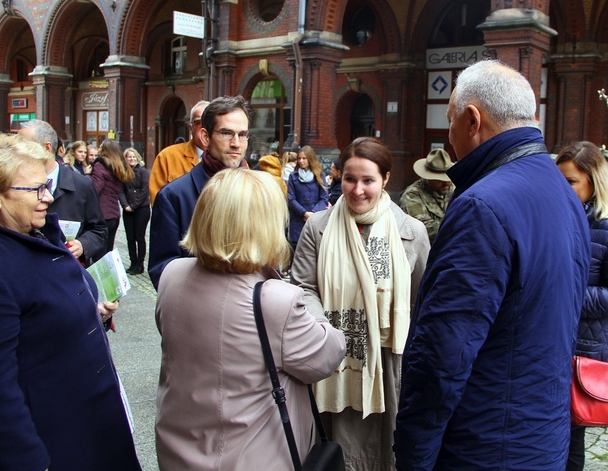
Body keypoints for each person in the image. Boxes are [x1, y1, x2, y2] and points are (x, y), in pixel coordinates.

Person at [394, 60, 590, 469]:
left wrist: (414, 453)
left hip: (485, 445)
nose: (449, 139)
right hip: (540, 435)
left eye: (449, 123)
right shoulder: (563, 191)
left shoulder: (482, 205)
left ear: (472, 120)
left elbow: (443, 350)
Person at [155, 168, 345, 469]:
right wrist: (312, 302)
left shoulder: (172, 276)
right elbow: (327, 354)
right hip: (254, 456)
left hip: (178, 449)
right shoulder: (274, 300)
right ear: (264, 226)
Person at [0, 135, 140, 470]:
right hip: (59, 439)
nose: (48, 197)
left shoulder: (39, 231)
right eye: (36, 189)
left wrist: (89, 311)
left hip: (95, 420)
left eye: (46, 185)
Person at [292, 137, 430, 470]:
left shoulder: (411, 232)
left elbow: (422, 301)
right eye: (349, 179)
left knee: (386, 454)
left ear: (385, 179)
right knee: (336, 452)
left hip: (389, 366)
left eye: (368, 180)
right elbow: (302, 286)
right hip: (335, 362)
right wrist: (327, 330)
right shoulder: (318, 227)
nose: (357, 190)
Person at [555, 141, 608, 470]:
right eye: (559, 180)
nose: (562, 189)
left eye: (571, 182)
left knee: (571, 435)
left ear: (594, 182)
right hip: (550, 340)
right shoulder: (557, 218)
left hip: (584, 346)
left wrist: (561, 295)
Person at [148, 95, 251, 289]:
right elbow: (162, 271)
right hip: (199, 311)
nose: (236, 143)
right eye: (227, 133)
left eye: (242, 134)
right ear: (205, 137)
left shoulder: (259, 192)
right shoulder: (174, 196)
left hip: (250, 312)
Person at [18, 120, 108, 266]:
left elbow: (99, 230)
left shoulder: (82, 185)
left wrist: (83, 244)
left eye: (24, 145)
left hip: (68, 271)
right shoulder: (14, 184)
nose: (17, 151)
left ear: (47, 147)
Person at [148, 100, 209, 203]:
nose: (204, 127)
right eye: (198, 122)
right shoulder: (167, 157)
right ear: (190, 127)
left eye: (209, 122)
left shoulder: (230, 158)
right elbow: (158, 201)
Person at [399, 148, 455, 243]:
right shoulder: (412, 195)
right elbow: (424, 229)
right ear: (428, 177)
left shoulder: (453, 188)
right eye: (440, 179)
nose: (447, 183)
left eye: (449, 178)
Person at [91, 140, 134, 252]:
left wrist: (87, 176)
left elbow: (96, 187)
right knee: (108, 251)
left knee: (99, 253)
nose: (99, 149)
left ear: (105, 151)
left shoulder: (100, 165)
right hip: (114, 214)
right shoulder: (118, 166)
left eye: (100, 147)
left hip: (102, 215)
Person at [287, 145, 328, 251]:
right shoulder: (293, 176)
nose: (301, 161)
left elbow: (324, 198)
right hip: (298, 219)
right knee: (296, 251)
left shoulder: (319, 175)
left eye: (304, 158)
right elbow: (291, 198)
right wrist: (304, 213)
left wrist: (312, 214)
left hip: (315, 218)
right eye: (299, 158)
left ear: (310, 159)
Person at [120, 148, 151, 274]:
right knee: (130, 238)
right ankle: (132, 263)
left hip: (141, 209)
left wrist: (133, 205)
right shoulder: (123, 173)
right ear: (125, 159)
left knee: (139, 237)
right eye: (129, 157)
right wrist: (125, 205)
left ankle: (140, 264)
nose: (132, 159)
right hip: (127, 210)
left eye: (133, 157)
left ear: (137, 158)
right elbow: (120, 191)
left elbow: (145, 190)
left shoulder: (144, 172)